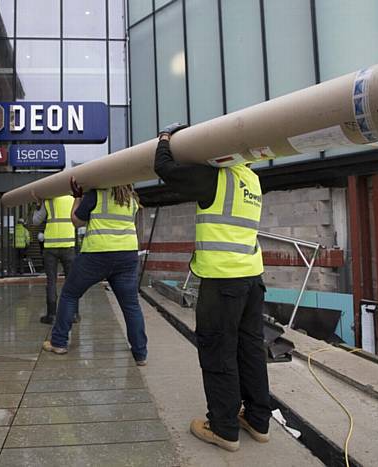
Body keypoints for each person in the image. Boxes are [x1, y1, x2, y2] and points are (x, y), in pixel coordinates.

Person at [154, 123, 271, 452]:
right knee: (249, 350)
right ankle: (258, 421)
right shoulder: (250, 179)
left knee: (218, 351)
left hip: (222, 282)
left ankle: (223, 428)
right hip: (252, 278)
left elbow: (164, 168)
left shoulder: (216, 179)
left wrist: (165, 138)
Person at [43, 178, 148, 366]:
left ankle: (59, 343)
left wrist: (77, 198)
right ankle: (140, 354)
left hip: (97, 254)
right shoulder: (132, 198)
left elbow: (76, 221)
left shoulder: (97, 194)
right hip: (126, 255)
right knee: (131, 305)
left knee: (69, 294)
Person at [32, 196, 79, 324]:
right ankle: (74, 314)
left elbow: (35, 221)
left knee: (51, 281)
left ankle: (52, 315)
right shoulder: (72, 200)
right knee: (72, 281)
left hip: (50, 248)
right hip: (68, 246)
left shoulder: (48, 201)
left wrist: (38, 206)